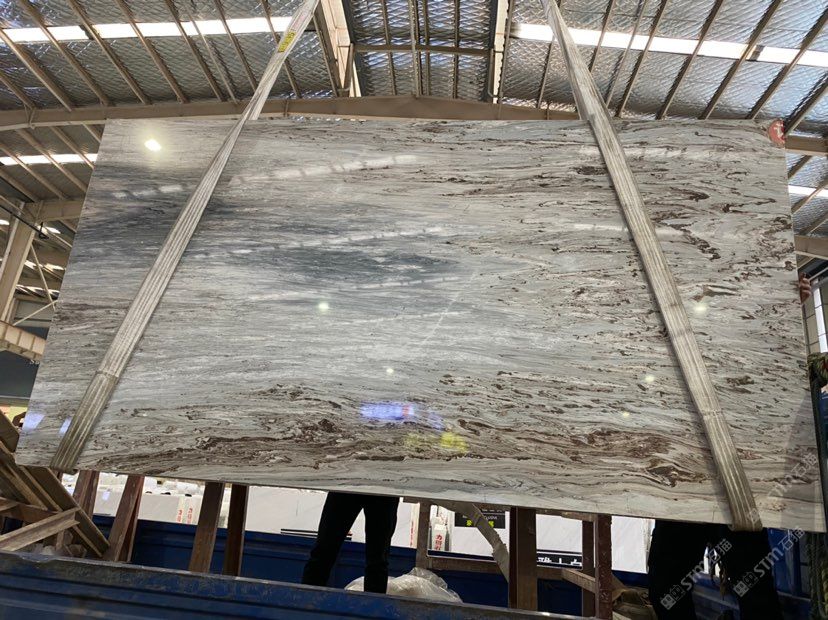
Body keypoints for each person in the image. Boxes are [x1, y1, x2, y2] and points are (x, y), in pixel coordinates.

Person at [648, 273, 811, 618]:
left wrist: (782, 305)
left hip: (738, 479)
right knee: (666, 588)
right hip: (686, 477)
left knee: (755, 591)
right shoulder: (673, 330)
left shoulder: (737, 339)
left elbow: (762, 352)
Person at [302, 492, 399, 593]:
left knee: (378, 561)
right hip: (350, 487)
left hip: (384, 491)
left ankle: (307, 598)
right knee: (323, 552)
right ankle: (307, 599)